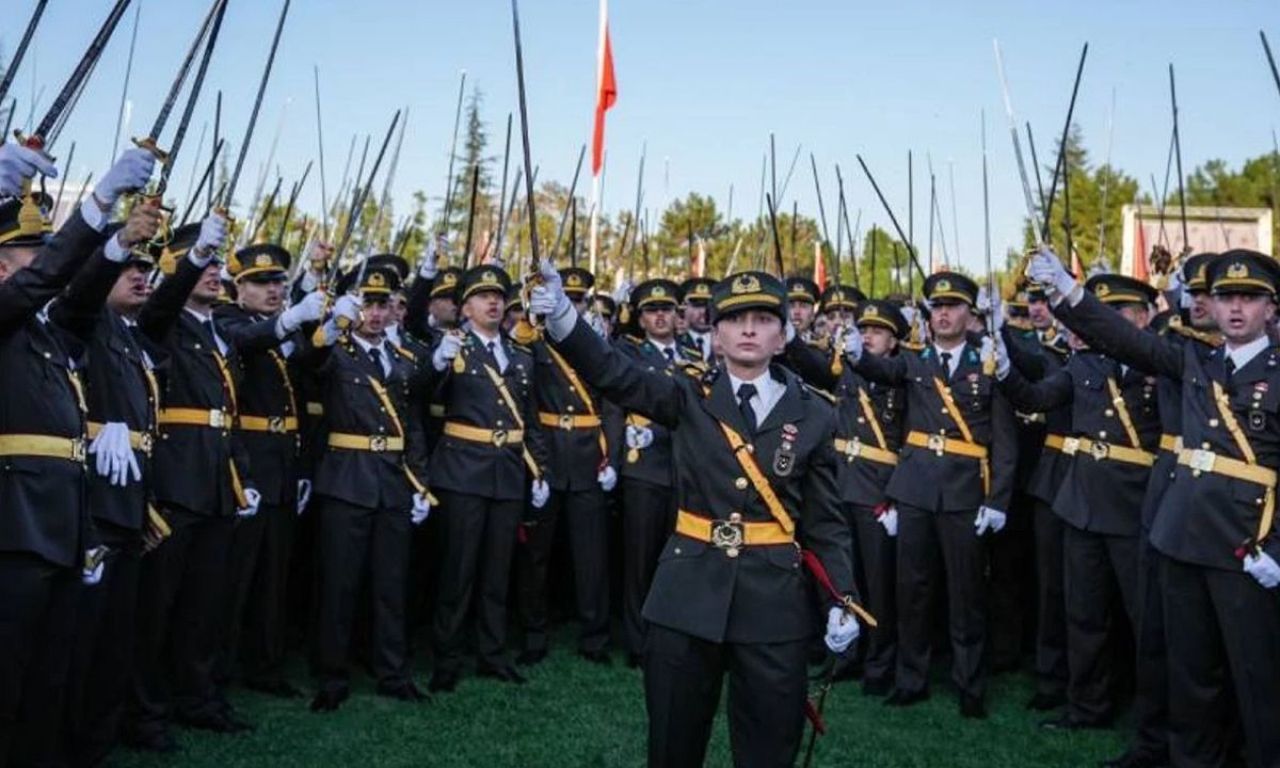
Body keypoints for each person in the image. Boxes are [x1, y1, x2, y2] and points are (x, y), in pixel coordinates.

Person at [530, 265, 860, 768]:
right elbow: (614, 373)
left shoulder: (814, 413)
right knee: (673, 746)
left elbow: (826, 521)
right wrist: (562, 319)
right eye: (734, 319)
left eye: (762, 319)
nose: (748, 329)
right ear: (716, 335)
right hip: (686, 594)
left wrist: (842, 596)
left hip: (773, 602)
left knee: (769, 749)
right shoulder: (685, 394)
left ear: (782, 335)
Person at [1027, 247, 1280, 768]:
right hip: (1182, 537)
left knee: (1257, 675)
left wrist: (1277, 547)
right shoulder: (1195, 360)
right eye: (1225, 297)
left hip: (1247, 544)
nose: (1234, 308)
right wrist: (1068, 292)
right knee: (1190, 673)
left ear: (1271, 309)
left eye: (1249, 299)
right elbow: (1125, 340)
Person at [0, 145, 155, 766]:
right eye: (31, 257)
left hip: (59, 528)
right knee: (9, 683)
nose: (46, 268)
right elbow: (50, 279)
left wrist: (114, 243)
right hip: (14, 527)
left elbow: (80, 298)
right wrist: (94, 207)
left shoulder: (40, 331)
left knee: (47, 682)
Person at [842, 270, 1018, 718]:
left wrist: (997, 501)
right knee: (911, 591)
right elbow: (881, 368)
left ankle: (970, 685)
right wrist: (857, 353)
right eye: (936, 307)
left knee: (966, 597)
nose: (943, 314)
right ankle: (910, 678)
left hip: (963, 493)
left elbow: (1004, 441)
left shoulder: (989, 363)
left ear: (969, 314)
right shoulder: (915, 361)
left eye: (953, 306)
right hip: (916, 489)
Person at [996, 274, 1162, 732]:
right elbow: (1037, 397)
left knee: (1145, 620)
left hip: (1136, 505)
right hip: (1082, 503)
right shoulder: (1084, 365)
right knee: (1083, 614)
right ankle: (1087, 706)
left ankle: (1154, 719)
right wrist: (1006, 370)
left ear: (1144, 318)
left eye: (1120, 315)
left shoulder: (1159, 366)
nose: (1108, 325)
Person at [126, 210, 256, 748]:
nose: (212, 273)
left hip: (216, 480)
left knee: (205, 605)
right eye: (198, 264)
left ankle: (197, 696)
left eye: (215, 265)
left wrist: (239, 476)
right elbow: (158, 305)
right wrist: (192, 255)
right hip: (177, 481)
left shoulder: (220, 329)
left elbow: (228, 412)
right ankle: (145, 711)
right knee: (159, 607)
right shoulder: (161, 319)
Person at [63, 204, 167, 766]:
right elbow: (78, 293)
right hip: (94, 501)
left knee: (116, 635)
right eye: (129, 265)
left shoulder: (129, 335)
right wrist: (114, 243)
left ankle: (99, 739)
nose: (140, 274)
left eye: (146, 266)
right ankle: (76, 740)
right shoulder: (84, 318)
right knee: (86, 635)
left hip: (129, 499)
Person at [301, 263, 431, 711]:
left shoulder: (401, 359)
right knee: (340, 584)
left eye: (382, 305)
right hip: (346, 478)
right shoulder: (335, 351)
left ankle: (392, 672)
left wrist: (419, 481)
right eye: (367, 304)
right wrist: (333, 320)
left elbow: (411, 425)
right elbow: (307, 361)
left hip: (392, 482)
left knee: (390, 585)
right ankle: (332, 675)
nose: (375, 314)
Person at [427, 266, 549, 693]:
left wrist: (540, 469)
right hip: (462, 470)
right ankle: (447, 658)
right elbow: (424, 395)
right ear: (465, 307)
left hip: (508, 473)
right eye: (482, 297)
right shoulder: (451, 348)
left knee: (498, 572)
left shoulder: (519, 354)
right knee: (458, 572)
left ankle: (492, 654)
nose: (494, 303)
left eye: (498, 296)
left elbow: (529, 418)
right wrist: (437, 361)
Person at [785, 298, 908, 696]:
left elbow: (912, 440)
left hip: (878, 490)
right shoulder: (847, 369)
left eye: (877, 331)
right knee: (842, 581)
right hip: (842, 484)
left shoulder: (903, 378)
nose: (868, 336)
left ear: (893, 342)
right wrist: (791, 340)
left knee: (878, 585)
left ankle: (880, 663)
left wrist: (897, 496)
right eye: (865, 329)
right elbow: (817, 371)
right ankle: (845, 655)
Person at [214, 243, 316, 699]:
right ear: (238, 288)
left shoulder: (281, 330)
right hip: (249, 460)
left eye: (278, 282)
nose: (273, 290)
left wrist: (322, 325)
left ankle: (265, 665)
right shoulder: (228, 321)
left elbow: (312, 377)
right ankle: (219, 669)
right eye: (260, 282)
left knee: (274, 576)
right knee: (234, 578)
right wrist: (291, 321)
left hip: (283, 460)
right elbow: (249, 342)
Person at [517, 266, 616, 666]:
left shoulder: (592, 344)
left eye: (577, 300)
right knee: (536, 555)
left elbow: (612, 401)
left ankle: (595, 637)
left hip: (589, 458)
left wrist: (610, 455)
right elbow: (523, 401)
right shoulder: (533, 342)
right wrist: (536, 464)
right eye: (565, 298)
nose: (570, 305)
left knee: (592, 556)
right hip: (548, 455)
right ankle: (533, 635)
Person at [606, 278, 702, 668]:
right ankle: (638, 640)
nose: (660, 316)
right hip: (643, 465)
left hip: (682, 466)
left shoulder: (693, 352)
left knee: (677, 559)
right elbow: (614, 404)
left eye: (667, 309)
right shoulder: (628, 352)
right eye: (652, 310)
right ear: (640, 318)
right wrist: (612, 458)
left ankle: (671, 634)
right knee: (640, 560)